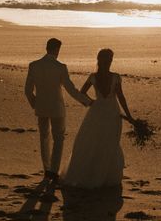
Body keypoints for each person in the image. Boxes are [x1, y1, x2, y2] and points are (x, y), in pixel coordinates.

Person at [61, 48, 133, 189]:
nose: (111, 61)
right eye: (110, 59)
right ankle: (105, 176)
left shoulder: (93, 76)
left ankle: (92, 173)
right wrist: (129, 116)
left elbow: (82, 93)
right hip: (112, 112)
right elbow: (121, 97)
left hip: (97, 111)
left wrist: (91, 102)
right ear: (107, 60)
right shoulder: (116, 77)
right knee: (109, 142)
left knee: (93, 141)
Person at [24, 38, 92, 181]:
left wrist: (35, 104)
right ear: (56, 49)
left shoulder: (34, 65)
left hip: (41, 108)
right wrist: (85, 101)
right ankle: (53, 171)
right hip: (57, 108)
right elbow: (70, 89)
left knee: (44, 137)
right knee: (58, 139)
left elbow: (28, 90)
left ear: (47, 48)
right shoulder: (60, 67)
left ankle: (47, 169)